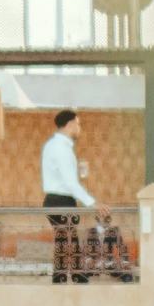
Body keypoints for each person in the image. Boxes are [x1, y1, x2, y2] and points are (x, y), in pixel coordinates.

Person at [39, 106, 96, 283]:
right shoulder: (61, 148)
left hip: (55, 200)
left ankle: (64, 275)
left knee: (65, 239)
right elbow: (70, 184)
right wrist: (92, 203)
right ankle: (73, 276)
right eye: (78, 124)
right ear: (70, 124)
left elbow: (66, 179)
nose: (79, 128)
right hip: (60, 200)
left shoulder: (53, 145)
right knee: (67, 239)